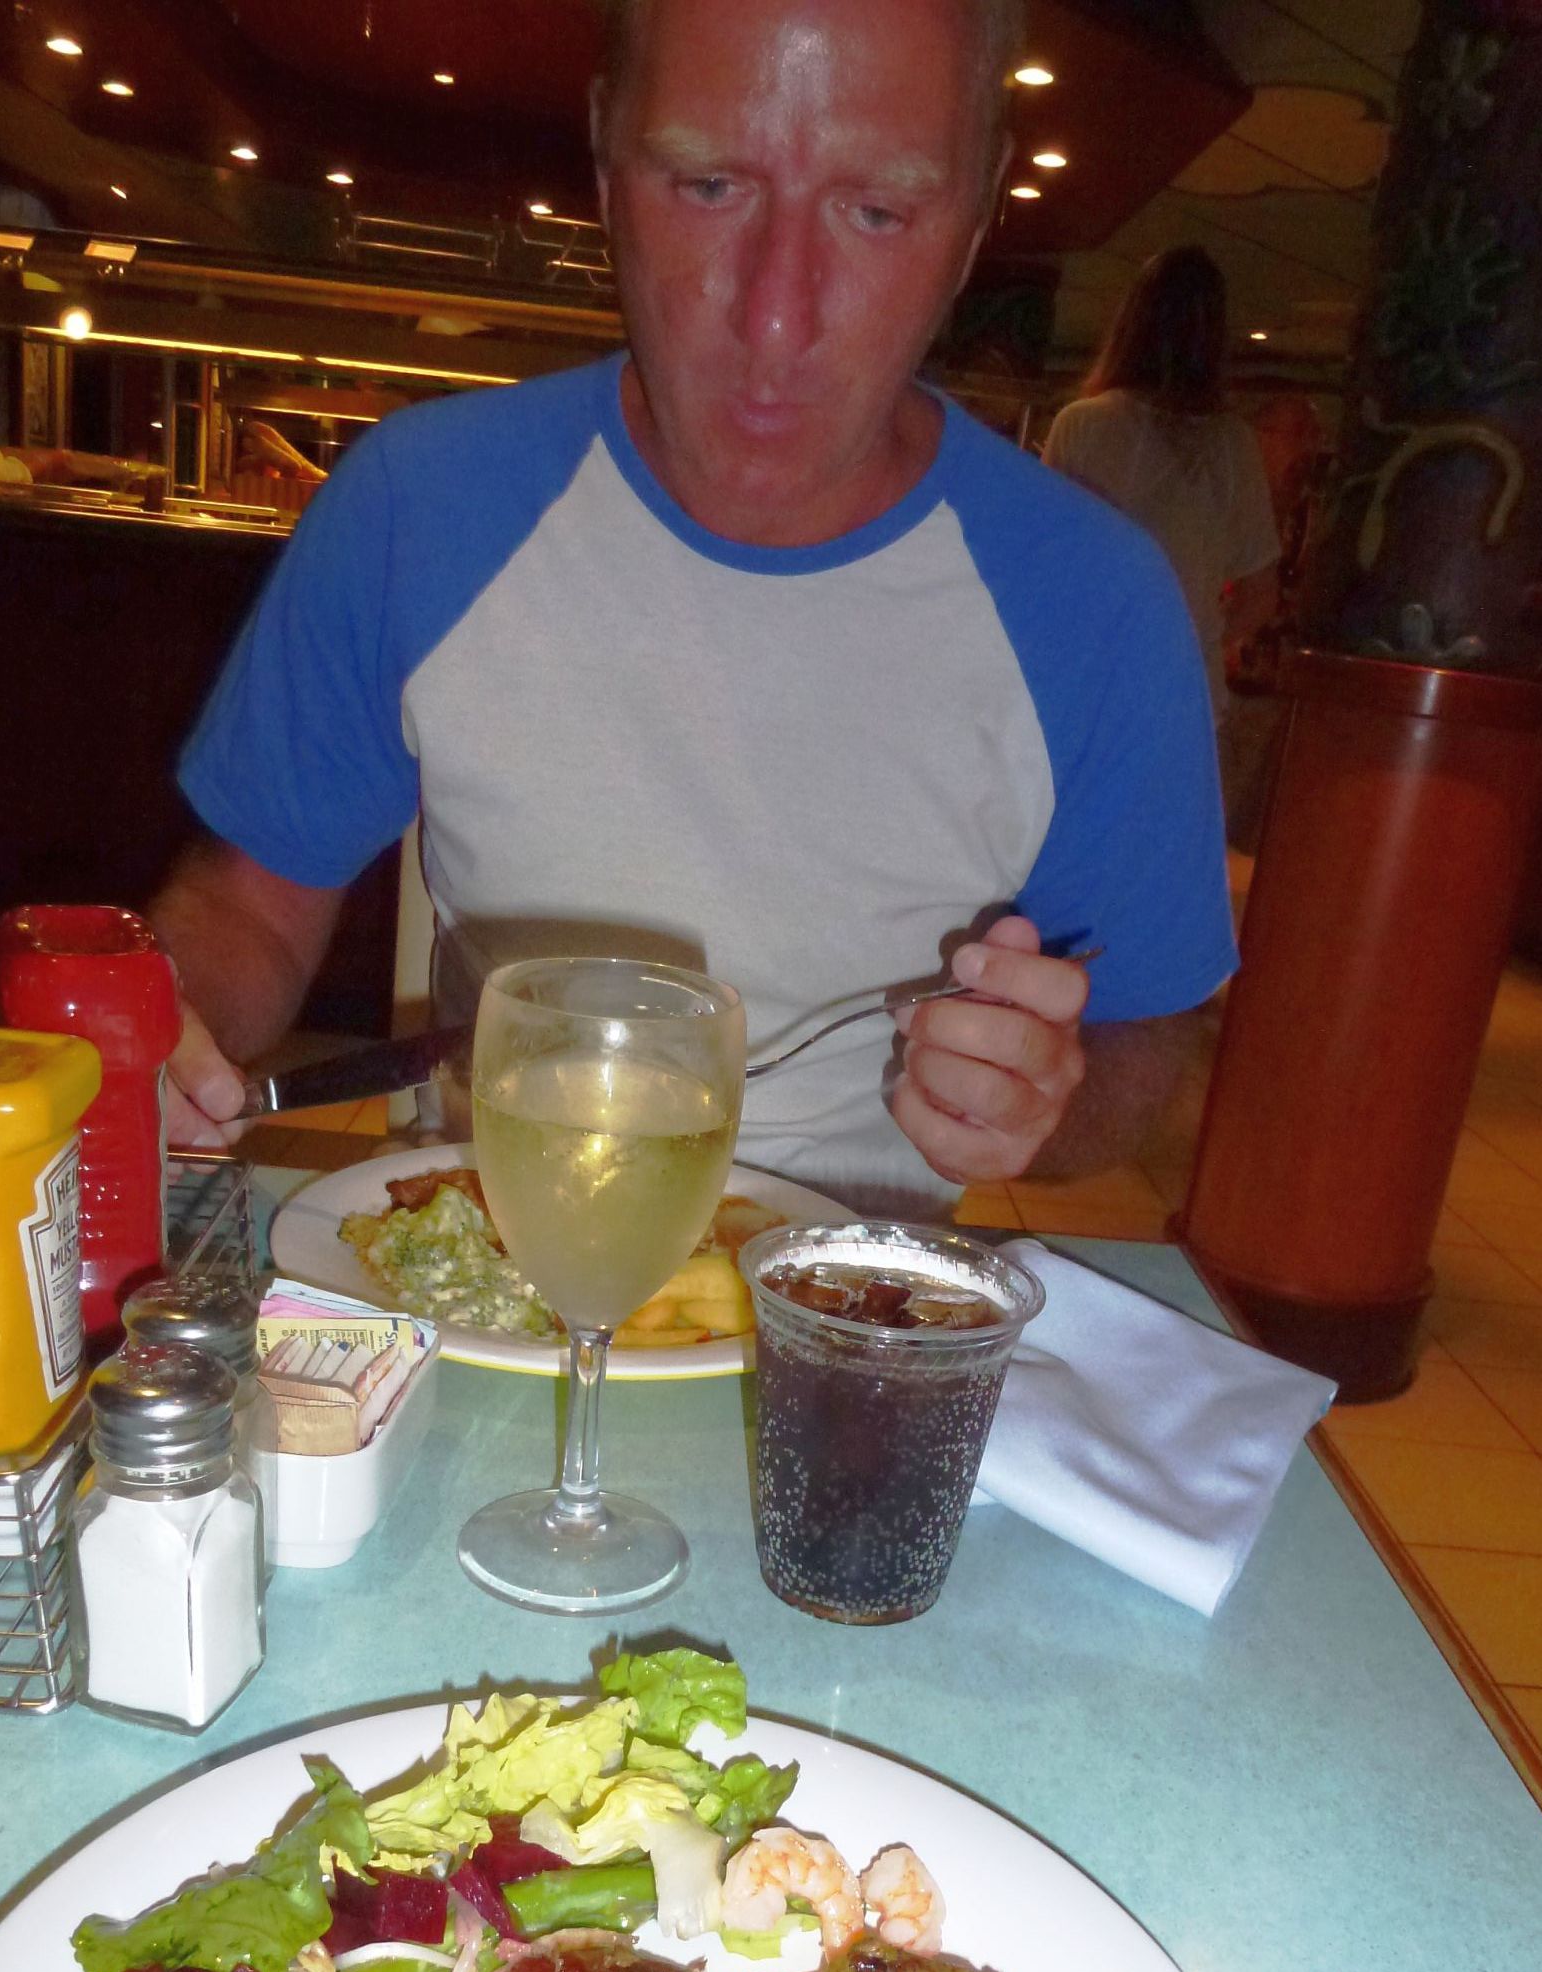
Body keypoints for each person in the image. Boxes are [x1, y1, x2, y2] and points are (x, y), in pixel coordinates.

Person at [156, 0, 1235, 1213]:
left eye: (876, 211)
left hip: (850, 1300)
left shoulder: (1097, 604)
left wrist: (1042, 1090)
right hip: (492, 1257)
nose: (775, 315)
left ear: (978, 213)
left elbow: (1143, 1039)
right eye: (709, 185)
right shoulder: (419, 502)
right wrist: (163, 1022)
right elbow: (249, 904)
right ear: (606, 161)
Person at [1042, 248, 1281, 730]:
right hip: (1185, 694)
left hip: (1091, 681)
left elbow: (1045, 566)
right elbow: (1260, 595)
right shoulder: (1232, 444)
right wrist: (1197, 640)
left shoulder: (1083, 425)